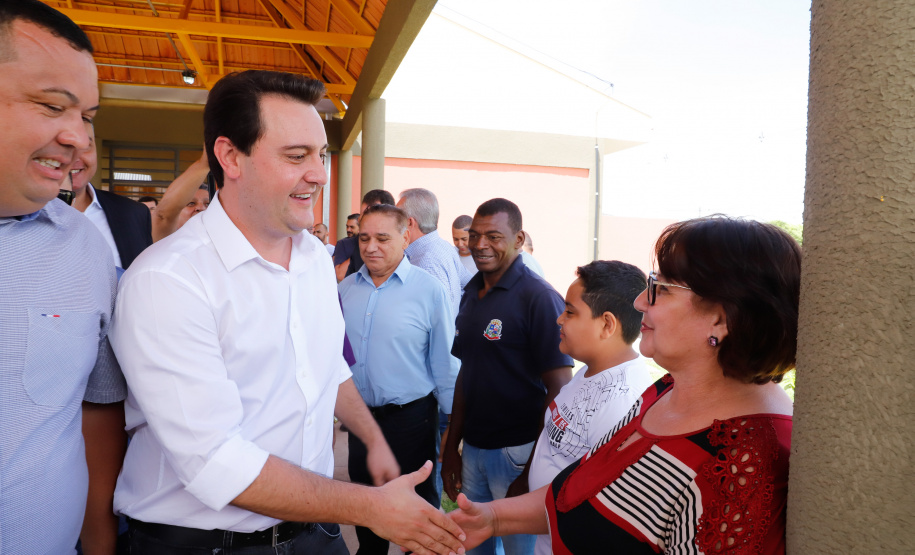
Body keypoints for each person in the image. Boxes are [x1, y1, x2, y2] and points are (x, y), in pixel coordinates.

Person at [109, 70, 466, 555]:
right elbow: (216, 462)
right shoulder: (168, 280)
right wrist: (369, 506)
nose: (319, 174)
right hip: (209, 544)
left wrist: (372, 438)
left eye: (320, 155)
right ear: (230, 156)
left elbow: (326, 366)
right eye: (296, 156)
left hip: (313, 535)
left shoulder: (315, 259)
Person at [448, 216, 801, 555]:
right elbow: (583, 491)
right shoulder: (666, 390)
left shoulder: (743, 462)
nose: (640, 301)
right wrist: (492, 518)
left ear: (720, 319)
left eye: (660, 289)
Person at [0, 2, 128, 553]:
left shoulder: (85, 248)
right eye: (54, 106)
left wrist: (100, 542)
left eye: (88, 117)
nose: (77, 137)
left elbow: (95, 410)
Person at [441, 198, 573, 555]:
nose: (480, 244)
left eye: (494, 236)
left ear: (518, 239)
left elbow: (560, 386)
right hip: (475, 449)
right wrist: (452, 446)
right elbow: (468, 371)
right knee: (474, 546)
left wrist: (531, 467)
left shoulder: (538, 297)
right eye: (475, 235)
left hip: (517, 452)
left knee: (520, 551)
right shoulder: (471, 293)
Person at [339, 204, 460, 554]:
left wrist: (451, 427)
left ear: (406, 237)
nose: (371, 246)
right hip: (361, 421)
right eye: (364, 238)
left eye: (382, 238)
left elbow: (444, 362)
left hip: (413, 419)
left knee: (419, 510)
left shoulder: (428, 290)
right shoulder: (346, 290)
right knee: (366, 502)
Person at [526, 260, 653, 555]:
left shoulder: (624, 403)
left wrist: (495, 519)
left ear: (607, 324)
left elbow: (598, 509)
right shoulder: (590, 370)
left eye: (570, 312)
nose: (559, 320)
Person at [69, 127, 153, 271]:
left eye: (85, 147)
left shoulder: (133, 213)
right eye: (64, 147)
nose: (75, 158)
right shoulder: (20, 214)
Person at [398, 188, 472, 317]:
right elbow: (471, 282)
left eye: (398, 218)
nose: (394, 223)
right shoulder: (444, 247)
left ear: (410, 222)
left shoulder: (428, 262)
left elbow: (437, 317)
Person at [334, 191, 395, 281]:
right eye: (363, 214)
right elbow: (340, 275)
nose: (360, 219)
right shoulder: (345, 244)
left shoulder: (398, 244)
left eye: (369, 213)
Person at [150, 152, 210, 241]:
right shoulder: (167, 240)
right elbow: (163, 215)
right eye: (191, 203)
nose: (200, 208)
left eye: (208, 204)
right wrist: (205, 164)